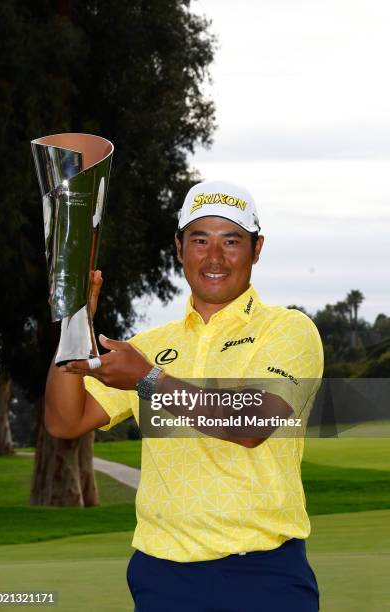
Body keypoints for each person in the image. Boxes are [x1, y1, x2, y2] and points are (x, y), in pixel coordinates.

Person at [45, 180, 323, 612]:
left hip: (263, 575)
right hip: (162, 576)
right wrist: (73, 321)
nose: (215, 257)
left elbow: (253, 423)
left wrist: (148, 379)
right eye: (199, 240)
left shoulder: (287, 329)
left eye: (231, 241)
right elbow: (66, 420)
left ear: (257, 248)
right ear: (178, 248)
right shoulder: (150, 344)